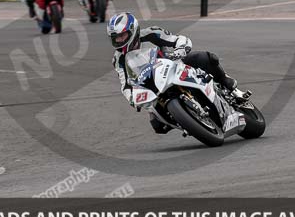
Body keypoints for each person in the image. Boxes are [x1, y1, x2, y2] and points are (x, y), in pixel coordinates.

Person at [106, 12, 249, 134]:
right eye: (115, 37)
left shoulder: (151, 34)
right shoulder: (118, 59)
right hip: (153, 84)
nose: (119, 40)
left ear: (133, 30)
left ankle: (230, 87)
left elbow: (177, 39)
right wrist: (132, 98)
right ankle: (190, 121)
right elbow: (125, 83)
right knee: (158, 126)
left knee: (206, 58)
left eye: (122, 36)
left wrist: (180, 48)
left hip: (176, 64)